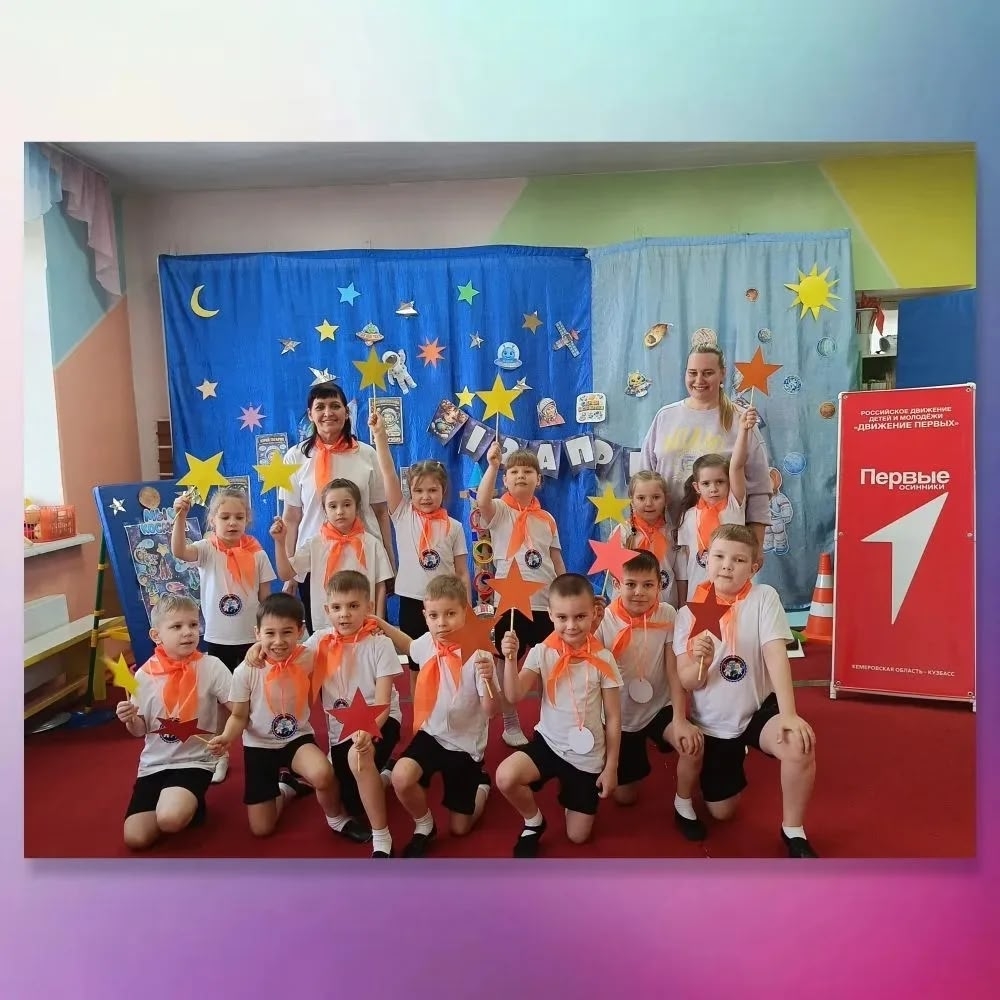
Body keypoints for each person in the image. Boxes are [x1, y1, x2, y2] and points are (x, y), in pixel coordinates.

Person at [673, 524, 818, 858]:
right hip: (714, 723)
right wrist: (702, 661)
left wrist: (789, 714)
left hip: (757, 711)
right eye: (720, 557)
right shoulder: (687, 613)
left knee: (799, 743)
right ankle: (730, 761)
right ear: (706, 559)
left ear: (754, 567)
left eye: (738, 560)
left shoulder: (763, 597)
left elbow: (776, 654)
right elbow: (688, 681)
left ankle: (793, 830)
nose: (727, 566)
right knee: (722, 812)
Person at [243, 571, 403, 857]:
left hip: (380, 720)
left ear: (368, 607)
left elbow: (382, 702)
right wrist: (258, 647)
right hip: (342, 729)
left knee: (359, 760)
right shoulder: (319, 640)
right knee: (351, 802)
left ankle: (382, 835)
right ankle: (386, 773)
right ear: (327, 610)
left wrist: (367, 732)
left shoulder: (380, 644)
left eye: (353, 606)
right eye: (337, 607)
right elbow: (285, 649)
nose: (345, 614)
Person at [496, 573, 623, 858]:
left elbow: (614, 718)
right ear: (551, 615)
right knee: (505, 776)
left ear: (594, 614)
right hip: (549, 743)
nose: (571, 625)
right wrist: (510, 659)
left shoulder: (604, 658)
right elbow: (514, 696)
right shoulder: (542, 652)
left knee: (578, 837)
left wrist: (611, 766)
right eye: (562, 617)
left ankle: (571, 794)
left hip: (586, 756)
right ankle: (533, 821)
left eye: (580, 617)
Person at [375, 575, 500, 858]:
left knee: (460, 829)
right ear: (425, 616)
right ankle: (424, 824)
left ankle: (482, 785)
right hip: (431, 734)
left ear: (465, 613)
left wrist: (489, 679)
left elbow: (492, 711)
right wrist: (382, 624)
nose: (441, 623)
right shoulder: (428, 642)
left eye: (450, 614)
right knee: (401, 777)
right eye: (434, 616)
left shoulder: (478, 655)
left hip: (465, 745)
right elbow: (409, 646)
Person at [209, 593, 344, 839]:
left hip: (297, 739)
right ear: (257, 633)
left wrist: (377, 628)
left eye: (287, 632)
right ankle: (287, 787)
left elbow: (341, 633)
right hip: (259, 746)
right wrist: (227, 737)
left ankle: (337, 819)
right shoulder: (245, 672)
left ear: (300, 630)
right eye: (270, 633)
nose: (279, 641)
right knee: (262, 829)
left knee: (323, 774)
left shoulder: (308, 656)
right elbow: (238, 716)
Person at [595, 550, 706, 840]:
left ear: (660, 585)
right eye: (630, 584)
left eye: (648, 585)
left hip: (658, 707)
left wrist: (680, 719)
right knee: (624, 797)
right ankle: (634, 753)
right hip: (620, 717)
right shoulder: (603, 621)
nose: (639, 592)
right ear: (616, 584)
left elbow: (673, 671)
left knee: (692, 744)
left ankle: (683, 804)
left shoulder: (668, 614)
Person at [170, 485, 276, 784]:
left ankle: (270, 749)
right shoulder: (207, 549)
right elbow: (179, 551)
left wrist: (265, 637)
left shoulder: (257, 553)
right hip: (219, 639)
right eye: (225, 517)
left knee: (259, 696)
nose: (232, 523)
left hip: (251, 641)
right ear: (212, 520)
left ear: (247, 520)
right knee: (221, 702)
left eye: (239, 517)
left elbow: (265, 600)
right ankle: (220, 754)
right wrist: (180, 516)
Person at [116, 594, 232, 851]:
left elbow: (238, 707)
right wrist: (130, 719)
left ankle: (187, 800)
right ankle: (180, 802)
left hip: (194, 760)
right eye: (177, 626)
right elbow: (139, 730)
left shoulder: (211, 666)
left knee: (169, 820)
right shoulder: (144, 675)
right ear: (156, 635)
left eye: (193, 624)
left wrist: (225, 737)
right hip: (154, 764)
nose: (188, 632)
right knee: (136, 838)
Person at [279, 383, 394, 631]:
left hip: (363, 560)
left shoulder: (366, 454)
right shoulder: (295, 457)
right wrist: (291, 572)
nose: (328, 413)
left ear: (346, 412)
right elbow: (292, 517)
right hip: (315, 563)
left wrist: (390, 561)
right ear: (310, 414)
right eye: (320, 407)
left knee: (368, 634)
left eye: (335, 406)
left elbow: (381, 513)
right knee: (324, 636)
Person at [368, 408, 470, 690]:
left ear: (444, 492)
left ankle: (448, 707)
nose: (426, 497)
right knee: (416, 662)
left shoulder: (454, 527)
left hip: (447, 604)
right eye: (419, 491)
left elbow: (462, 572)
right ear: (410, 493)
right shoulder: (402, 515)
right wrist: (380, 437)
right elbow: (388, 472)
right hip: (412, 601)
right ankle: (421, 713)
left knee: (449, 660)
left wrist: (466, 606)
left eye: (433, 490)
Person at [639, 345, 772, 558]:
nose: (699, 380)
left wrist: (757, 543)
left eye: (708, 373)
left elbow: (758, 487)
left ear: (722, 374)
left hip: (723, 548)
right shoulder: (665, 417)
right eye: (693, 373)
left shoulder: (741, 421)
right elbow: (644, 478)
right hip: (666, 539)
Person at [477, 440, 565, 747]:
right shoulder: (500, 510)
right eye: (513, 471)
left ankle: (548, 721)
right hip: (510, 604)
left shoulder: (547, 518)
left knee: (548, 664)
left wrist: (565, 592)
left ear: (538, 480)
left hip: (544, 603)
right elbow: (482, 501)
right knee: (508, 662)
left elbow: (556, 559)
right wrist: (492, 466)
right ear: (505, 479)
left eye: (528, 471)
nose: (520, 476)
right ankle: (510, 723)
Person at [271, 478, 393, 630]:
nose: (340, 511)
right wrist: (280, 542)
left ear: (357, 507)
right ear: (325, 510)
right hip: (326, 627)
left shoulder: (372, 543)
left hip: (364, 626)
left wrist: (378, 622)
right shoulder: (315, 544)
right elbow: (285, 574)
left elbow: (380, 586)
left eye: (347, 505)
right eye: (333, 506)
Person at [674, 406, 756, 604]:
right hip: (698, 592)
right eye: (706, 484)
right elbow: (684, 563)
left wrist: (743, 430)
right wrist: (683, 602)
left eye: (720, 482)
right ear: (697, 487)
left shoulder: (734, 505)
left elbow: (736, 465)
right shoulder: (689, 516)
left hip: (733, 589)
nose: (713, 489)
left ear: (729, 482)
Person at [609, 470, 678, 607]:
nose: (649, 503)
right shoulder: (622, 531)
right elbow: (613, 571)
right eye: (641, 498)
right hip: (629, 606)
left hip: (665, 605)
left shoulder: (673, 533)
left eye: (656, 497)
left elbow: (680, 573)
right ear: (631, 500)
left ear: (666, 499)